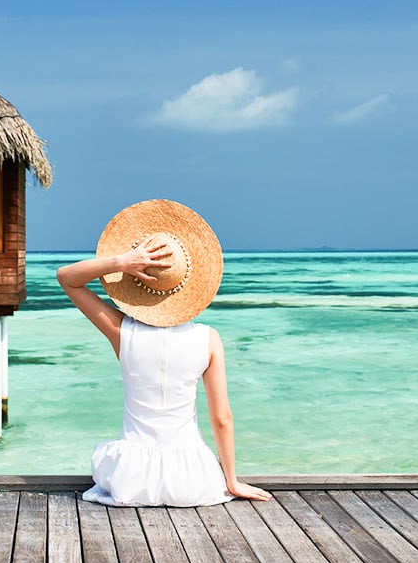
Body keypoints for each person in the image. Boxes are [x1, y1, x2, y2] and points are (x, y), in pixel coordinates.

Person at [57, 199, 270, 506]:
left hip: (131, 478)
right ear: (190, 285)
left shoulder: (122, 333)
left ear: (136, 283)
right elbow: (221, 418)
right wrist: (232, 480)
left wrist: (121, 262)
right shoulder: (208, 339)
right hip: (192, 479)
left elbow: (67, 278)